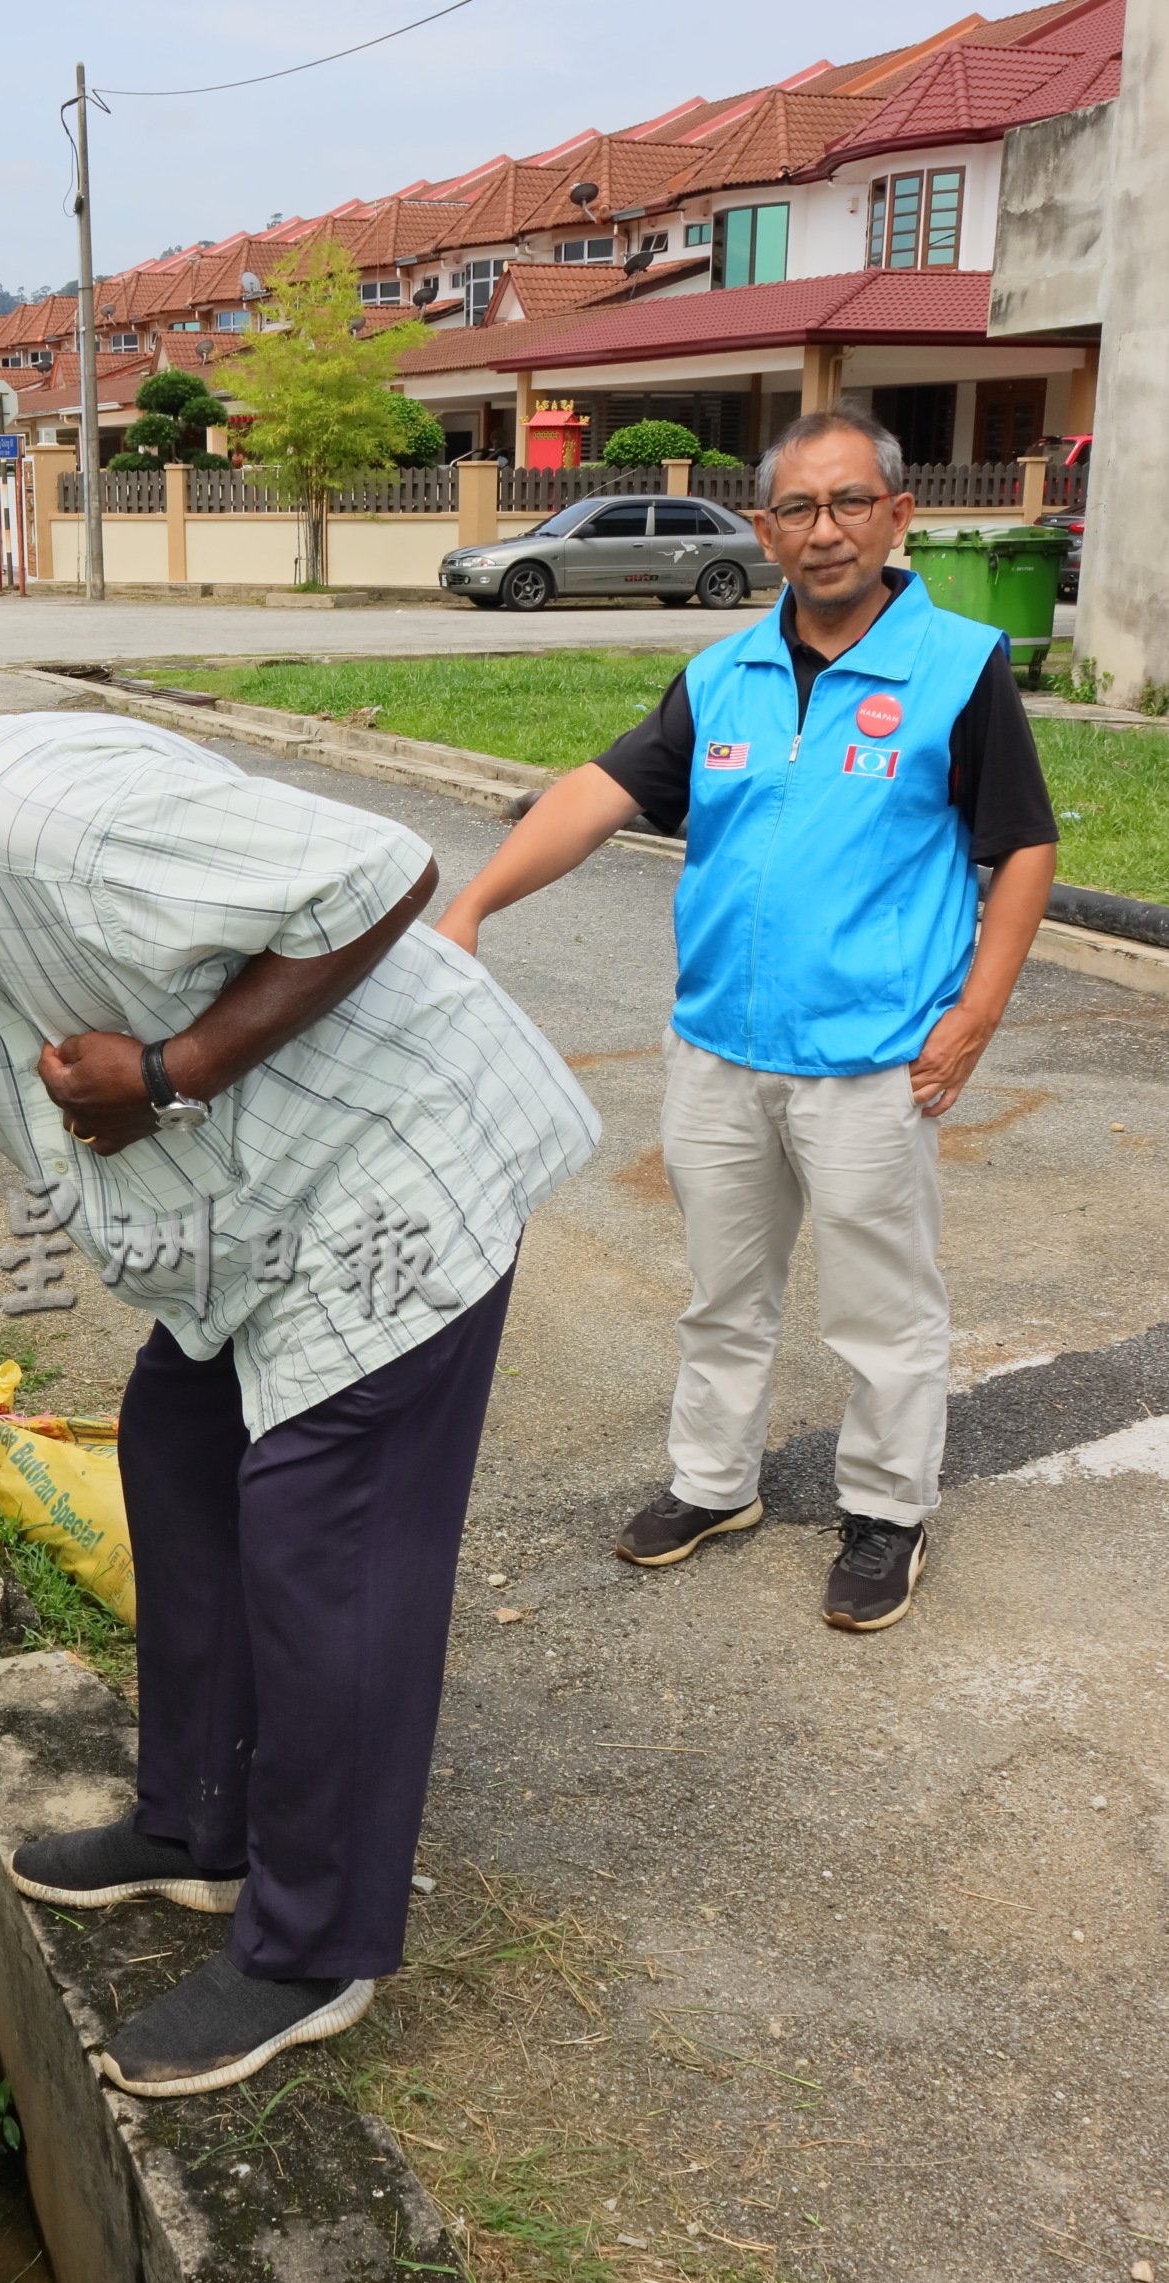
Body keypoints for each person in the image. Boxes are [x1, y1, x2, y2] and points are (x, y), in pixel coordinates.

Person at [0, 676, 600, 2097]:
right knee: (177, 1449)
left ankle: (313, 1950)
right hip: (249, 1216)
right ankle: (201, 1828)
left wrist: (172, 1069)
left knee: (327, 1538)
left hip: (398, 1159)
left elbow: (384, 875)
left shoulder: (51, 815)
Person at [439, 406, 1058, 1633]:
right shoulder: (720, 674)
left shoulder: (957, 667)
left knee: (879, 1308)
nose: (822, 532)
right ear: (763, 527)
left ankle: (885, 1510)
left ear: (895, 514)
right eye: (795, 509)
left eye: (847, 505)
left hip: (871, 1060)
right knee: (722, 1293)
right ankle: (713, 1484)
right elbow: (597, 793)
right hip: (717, 1049)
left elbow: (1022, 847)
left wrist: (976, 1014)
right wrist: (470, 909)